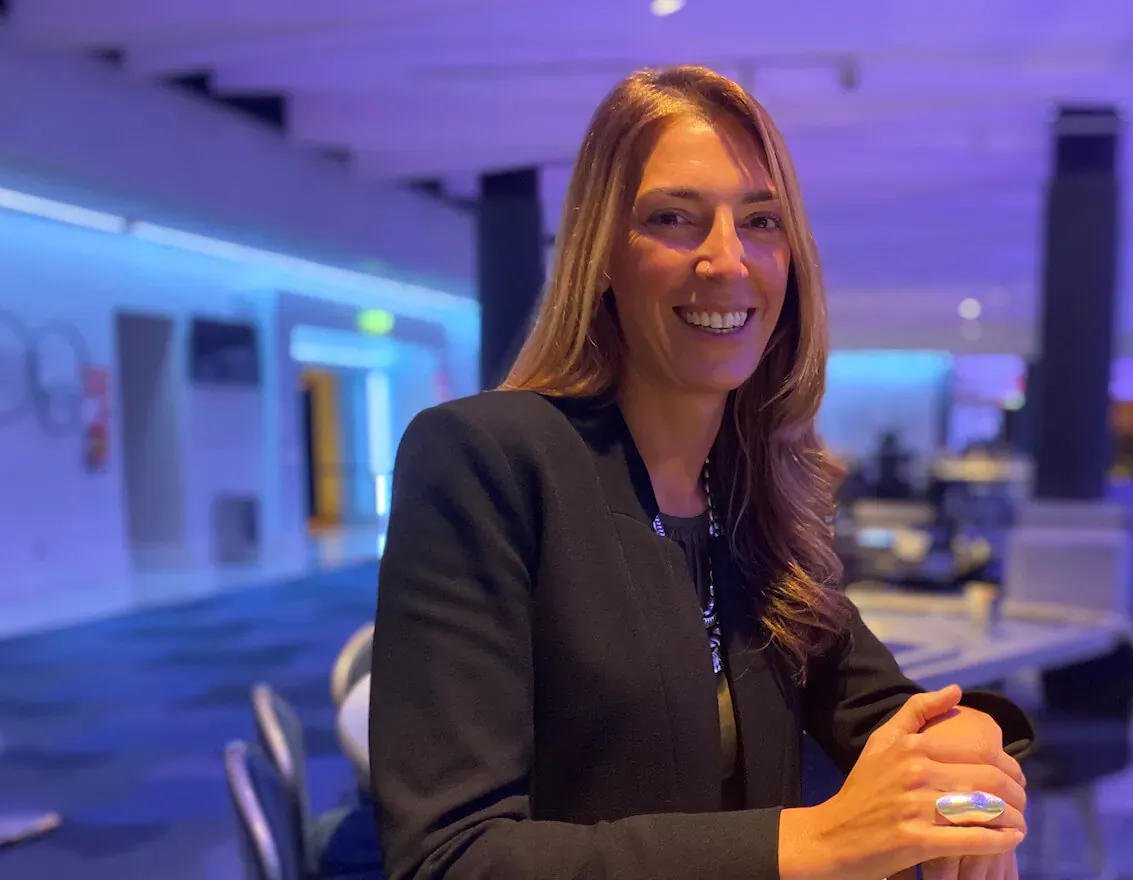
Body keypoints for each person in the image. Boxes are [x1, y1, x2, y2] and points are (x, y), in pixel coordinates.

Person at [370, 66, 1037, 880]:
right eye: (674, 218)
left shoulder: (752, 488)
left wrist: (965, 755)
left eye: (761, 220)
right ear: (603, 254)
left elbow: (880, 704)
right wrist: (813, 843)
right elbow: (449, 858)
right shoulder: (488, 460)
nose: (726, 260)